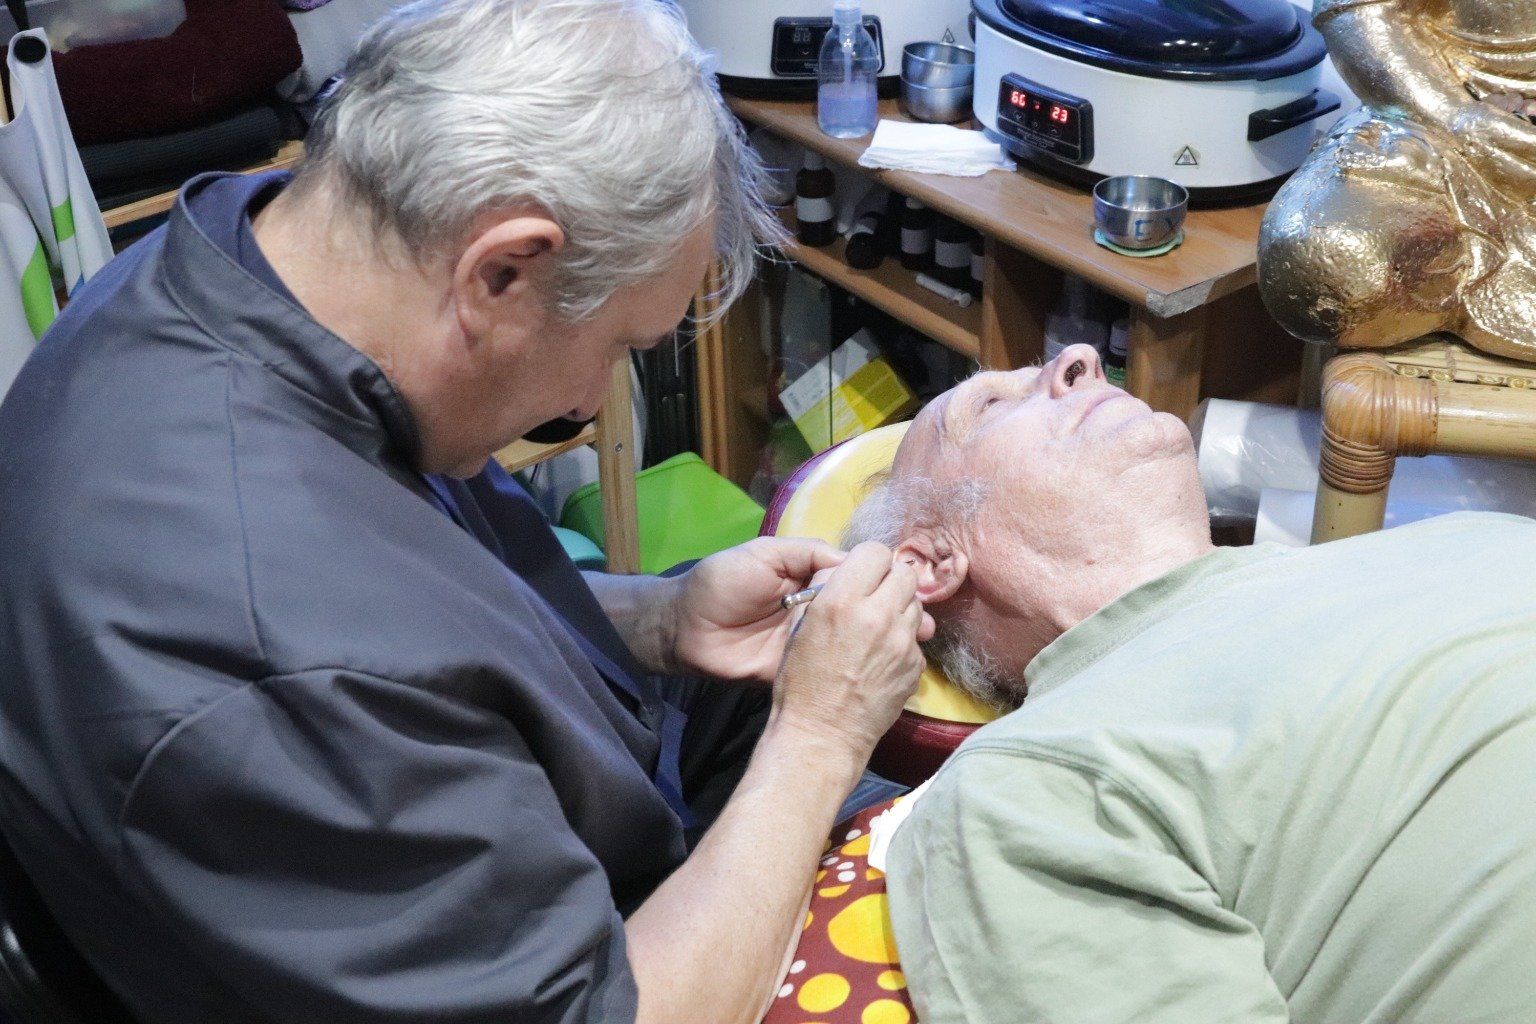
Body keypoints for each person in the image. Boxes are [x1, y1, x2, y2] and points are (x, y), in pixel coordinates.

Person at [0, 2, 933, 1022]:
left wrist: (653, 618)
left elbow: (408, 590)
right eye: (620, 345)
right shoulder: (258, 650)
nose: (587, 402)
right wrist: (821, 736)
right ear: (500, 272)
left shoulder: (270, 252)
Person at [847, 344, 1536, 1024]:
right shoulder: (1024, 788)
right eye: (993, 403)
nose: (1080, 356)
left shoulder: (1406, 551)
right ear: (930, 562)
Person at [1260, 0, 1536, 359]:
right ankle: (1461, 264)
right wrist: (1458, 118)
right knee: (1330, 260)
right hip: (1437, 123)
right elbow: (1360, 17)